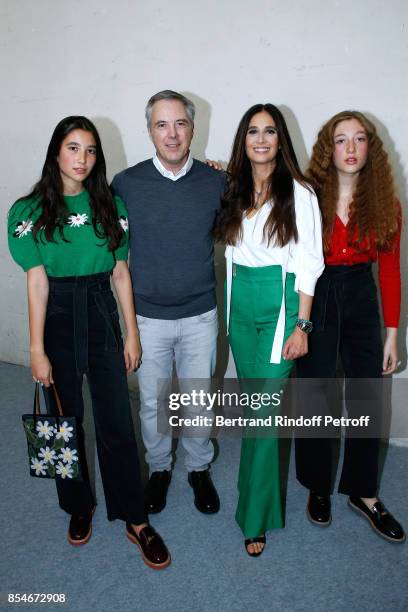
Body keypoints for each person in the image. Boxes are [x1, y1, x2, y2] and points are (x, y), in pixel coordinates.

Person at [7, 116, 171, 569]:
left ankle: (135, 519)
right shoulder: (28, 212)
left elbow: (121, 273)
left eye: (91, 150)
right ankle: (78, 505)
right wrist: (37, 350)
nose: (82, 158)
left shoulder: (109, 206)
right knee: (66, 421)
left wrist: (132, 333)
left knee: (117, 420)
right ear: (56, 152)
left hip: (101, 310)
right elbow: (37, 284)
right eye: (73, 148)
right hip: (56, 313)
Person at [214, 104, 324, 556]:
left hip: (280, 304)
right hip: (239, 305)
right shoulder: (234, 188)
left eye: (270, 131)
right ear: (243, 139)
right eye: (253, 132)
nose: (261, 139)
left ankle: (255, 519)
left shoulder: (299, 192)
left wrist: (302, 325)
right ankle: (253, 499)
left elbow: (310, 263)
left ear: (281, 140)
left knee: (264, 413)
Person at [111, 91, 225, 516]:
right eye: (162, 124)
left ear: (193, 128)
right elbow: (114, 255)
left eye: (180, 124)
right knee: (154, 401)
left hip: (200, 315)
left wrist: (224, 167)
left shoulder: (217, 182)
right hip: (147, 318)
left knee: (197, 399)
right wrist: (129, 328)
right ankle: (159, 468)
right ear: (149, 131)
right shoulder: (126, 184)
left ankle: (198, 469)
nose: (172, 134)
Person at [295, 110, 405, 543]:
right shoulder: (305, 197)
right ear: (328, 148)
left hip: (361, 297)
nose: (352, 148)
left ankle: (364, 493)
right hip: (316, 295)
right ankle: (317, 486)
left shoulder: (385, 204)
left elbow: (392, 273)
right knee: (315, 395)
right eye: (342, 140)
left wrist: (392, 333)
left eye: (360, 139)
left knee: (367, 396)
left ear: (370, 148)